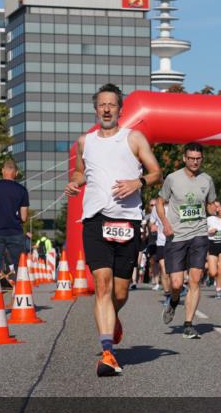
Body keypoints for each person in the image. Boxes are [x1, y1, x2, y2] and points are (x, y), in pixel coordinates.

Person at [65, 83, 162, 377]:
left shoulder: (133, 139)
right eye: (102, 104)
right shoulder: (85, 142)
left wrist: (138, 183)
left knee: (120, 292)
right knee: (102, 285)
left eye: (112, 104)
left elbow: (156, 172)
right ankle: (107, 352)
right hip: (95, 219)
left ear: (120, 109)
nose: (107, 109)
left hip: (127, 221)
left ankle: (113, 318)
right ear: (96, 109)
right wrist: (75, 182)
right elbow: (82, 171)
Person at [156, 143, 218, 339]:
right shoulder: (173, 179)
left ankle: (189, 324)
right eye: (191, 158)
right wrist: (165, 223)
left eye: (198, 158)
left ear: (202, 159)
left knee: (195, 279)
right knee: (176, 283)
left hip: (199, 234)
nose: (194, 161)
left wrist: (216, 210)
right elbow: (160, 201)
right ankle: (174, 301)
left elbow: (209, 206)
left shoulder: (207, 180)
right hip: (176, 235)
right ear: (184, 158)